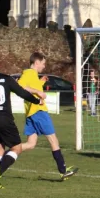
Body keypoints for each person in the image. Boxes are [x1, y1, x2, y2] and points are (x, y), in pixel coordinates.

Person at [0, 53, 44, 189]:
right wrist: (37, 100)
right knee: (16, 148)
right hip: (4, 118)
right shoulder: (6, 79)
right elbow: (21, 92)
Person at [18, 52, 79, 181]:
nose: (44, 66)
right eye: (43, 63)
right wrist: (38, 91)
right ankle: (63, 171)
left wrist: (40, 83)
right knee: (53, 140)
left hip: (31, 113)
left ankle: (7, 155)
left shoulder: (33, 75)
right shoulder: (28, 73)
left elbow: (30, 87)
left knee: (30, 144)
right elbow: (20, 86)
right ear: (37, 63)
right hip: (38, 111)